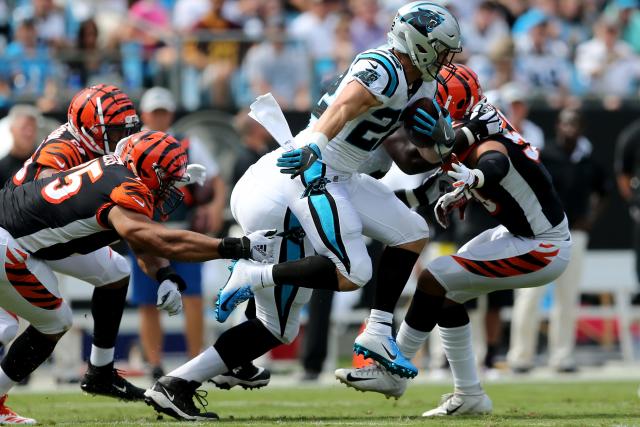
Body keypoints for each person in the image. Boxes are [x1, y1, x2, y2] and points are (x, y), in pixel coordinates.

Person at [143, 2, 464, 421]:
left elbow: (404, 155)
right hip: (306, 174)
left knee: (409, 232)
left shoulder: (418, 83)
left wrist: (441, 148)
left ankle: (178, 384)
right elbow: (348, 102)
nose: (444, 60)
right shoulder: (384, 65)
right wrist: (314, 141)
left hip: (334, 175)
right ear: (418, 42)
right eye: (439, 49)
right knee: (354, 272)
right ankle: (252, 275)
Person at [335, 64, 571, 417]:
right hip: (521, 233)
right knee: (445, 296)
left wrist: (476, 178)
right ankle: (470, 394)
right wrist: (459, 193)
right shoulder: (466, 129)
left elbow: (496, 161)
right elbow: (426, 181)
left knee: (434, 276)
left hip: (543, 245)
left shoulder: (480, 133)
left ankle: (393, 369)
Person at [0, 130, 274, 423]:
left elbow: (139, 237)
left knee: (114, 270)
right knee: (53, 321)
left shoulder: (114, 168)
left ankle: (100, 372)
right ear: (150, 170)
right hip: (10, 244)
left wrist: (164, 273)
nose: (171, 189)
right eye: (167, 179)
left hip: (20, 237)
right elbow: (153, 238)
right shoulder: (126, 186)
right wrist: (232, 247)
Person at [130, 87, 224, 381]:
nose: (159, 117)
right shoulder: (130, 145)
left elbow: (217, 179)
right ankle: (153, 363)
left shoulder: (187, 143)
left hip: (182, 230)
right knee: (147, 301)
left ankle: (195, 359)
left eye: (163, 112)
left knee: (193, 297)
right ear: (145, 114)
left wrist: (216, 207)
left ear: (169, 114)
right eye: (154, 112)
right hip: (145, 231)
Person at [507, 108, 609, 373]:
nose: (569, 128)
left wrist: (592, 218)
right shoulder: (543, 155)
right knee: (529, 295)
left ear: (582, 127)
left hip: (575, 234)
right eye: (565, 123)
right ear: (557, 126)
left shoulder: (588, 160)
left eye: (574, 123)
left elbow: (604, 191)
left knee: (567, 297)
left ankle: (562, 357)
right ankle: (520, 357)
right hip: (542, 234)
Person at [0, 105, 40, 186]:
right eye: (23, 128)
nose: (29, 133)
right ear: (12, 129)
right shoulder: (1, 168)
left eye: (33, 128)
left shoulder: (45, 163)